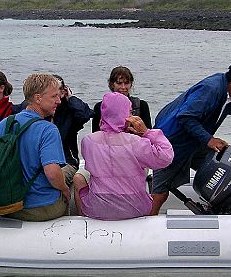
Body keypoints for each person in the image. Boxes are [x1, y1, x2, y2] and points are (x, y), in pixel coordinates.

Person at [148, 61, 231, 215]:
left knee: (225, 165)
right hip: (171, 142)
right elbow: (186, 117)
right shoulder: (211, 89)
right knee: (160, 194)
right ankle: (147, 224)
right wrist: (209, 139)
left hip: (194, 141)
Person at [73, 92, 174, 220]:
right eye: (130, 112)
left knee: (79, 179)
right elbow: (166, 156)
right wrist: (147, 132)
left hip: (98, 208)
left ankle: (83, 220)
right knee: (142, 167)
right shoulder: (136, 142)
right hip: (135, 208)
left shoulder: (88, 141)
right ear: (124, 115)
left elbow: (94, 164)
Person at [4, 73, 75, 222]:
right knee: (66, 197)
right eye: (54, 96)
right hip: (40, 207)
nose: (59, 101)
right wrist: (64, 189)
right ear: (38, 98)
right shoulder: (48, 129)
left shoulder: (5, 123)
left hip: (9, 204)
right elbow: (52, 173)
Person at [90, 66, 152, 130]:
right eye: (119, 83)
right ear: (111, 84)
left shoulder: (141, 106)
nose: (123, 87)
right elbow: (95, 133)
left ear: (131, 84)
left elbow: (148, 133)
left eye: (126, 83)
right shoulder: (100, 107)